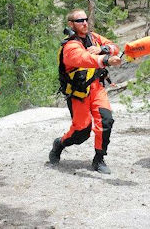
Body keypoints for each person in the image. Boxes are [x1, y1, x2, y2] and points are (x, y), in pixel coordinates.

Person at [49, 9, 121, 174]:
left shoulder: (94, 38)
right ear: (71, 24)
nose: (84, 23)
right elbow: (83, 58)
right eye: (80, 20)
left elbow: (114, 47)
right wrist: (105, 59)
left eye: (85, 19)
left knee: (106, 120)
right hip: (79, 93)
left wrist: (103, 49)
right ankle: (60, 143)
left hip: (97, 87)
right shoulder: (70, 45)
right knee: (81, 132)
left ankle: (99, 158)